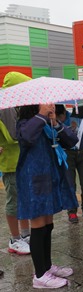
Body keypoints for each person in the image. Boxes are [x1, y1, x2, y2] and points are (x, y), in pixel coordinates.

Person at [16, 103, 79, 289]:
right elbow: (26, 137)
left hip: (50, 178)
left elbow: (71, 140)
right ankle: (39, 275)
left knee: (48, 224)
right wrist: (42, 116)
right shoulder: (25, 123)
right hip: (33, 180)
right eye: (45, 103)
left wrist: (56, 123)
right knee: (38, 225)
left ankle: (47, 265)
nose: (50, 105)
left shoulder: (47, 122)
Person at [0, 72, 31, 256]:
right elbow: (13, 136)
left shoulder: (14, 106)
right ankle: (15, 238)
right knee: (14, 202)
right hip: (11, 163)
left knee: (24, 199)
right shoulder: (7, 107)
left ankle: (25, 234)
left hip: (21, 160)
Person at [55, 105, 83, 223]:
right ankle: (72, 211)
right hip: (67, 154)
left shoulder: (78, 115)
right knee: (70, 183)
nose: (59, 119)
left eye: (60, 117)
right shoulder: (54, 122)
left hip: (82, 151)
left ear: (64, 113)